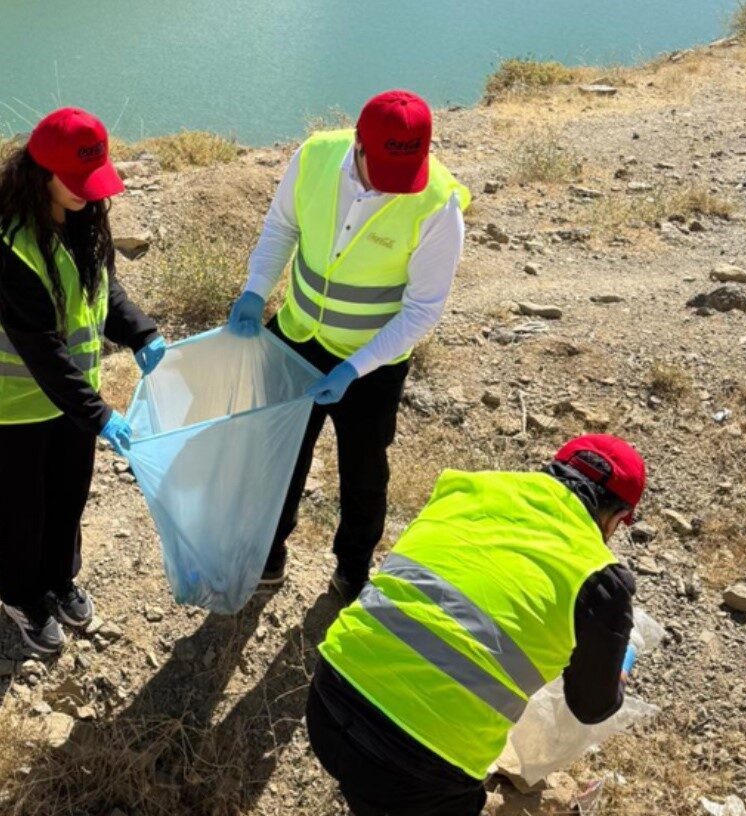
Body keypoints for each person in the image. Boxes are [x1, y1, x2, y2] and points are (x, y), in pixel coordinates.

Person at [307, 434, 645, 815]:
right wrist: (622, 664)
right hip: (418, 769)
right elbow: (592, 707)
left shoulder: (467, 486)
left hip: (328, 696)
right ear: (615, 519)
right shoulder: (601, 580)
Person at [227, 90, 470, 600]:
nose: (392, 187)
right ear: (358, 142)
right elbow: (282, 228)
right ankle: (269, 555)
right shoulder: (315, 156)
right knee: (280, 457)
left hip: (372, 365)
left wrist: (354, 368)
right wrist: (254, 291)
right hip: (295, 339)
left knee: (364, 472)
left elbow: (423, 308)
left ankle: (353, 569)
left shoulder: (438, 203)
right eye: (381, 167)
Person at [0, 107, 166, 654]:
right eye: (74, 183)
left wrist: (141, 333)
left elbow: (104, 290)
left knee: (68, 496)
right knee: (21, 506)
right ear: (39, 173)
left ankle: (59, 579)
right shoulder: (4, 246)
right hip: (12, 404)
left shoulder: (84, 215)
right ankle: (23, 597)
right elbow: (42, 352)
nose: (86, 193)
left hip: (71, 400)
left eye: (91, 182)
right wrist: (100, 414)